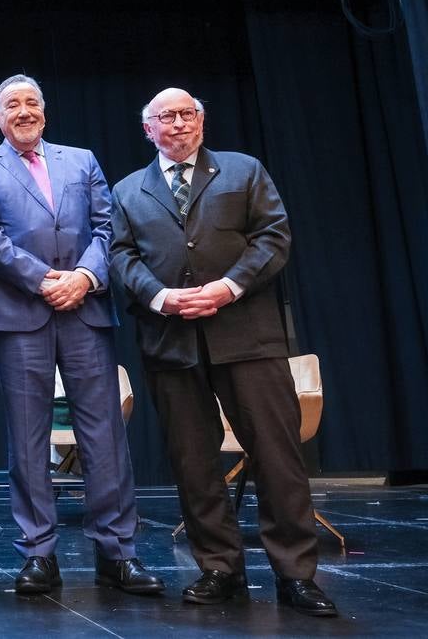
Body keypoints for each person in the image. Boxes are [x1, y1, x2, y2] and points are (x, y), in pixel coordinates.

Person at [109, 87, 337, 617]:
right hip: (170, 341)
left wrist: (228, 287)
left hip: (247, 336)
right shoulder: (127, 190)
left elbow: (273, 237)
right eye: (166, 116)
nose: (178, 123)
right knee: (194, 463)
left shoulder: (244, 170)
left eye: (187, 113)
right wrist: (161, 297)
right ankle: (219, 569)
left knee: (277, 457)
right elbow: (121, 256)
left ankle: (296, 576)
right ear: (148, 129)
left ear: (201, 121)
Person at [0, 74, 163, 596]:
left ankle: (118, 554)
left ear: (44, 113)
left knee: (105, 435)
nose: (23, 111)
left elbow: (108, 229)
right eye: (12, 105)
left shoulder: (82, 160)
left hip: (85, 308)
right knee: (29, 439)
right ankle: (39, 555)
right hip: (18, 313)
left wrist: (85, 277)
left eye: (32, 102)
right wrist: (45, 280)